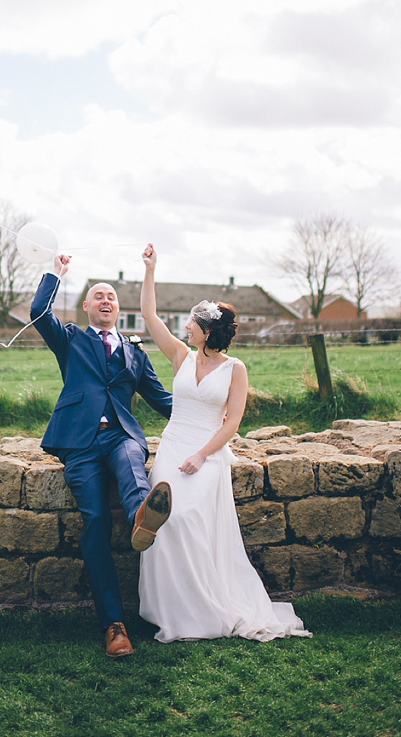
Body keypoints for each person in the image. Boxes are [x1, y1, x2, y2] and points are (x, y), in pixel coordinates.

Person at [138, 243, 311, 643]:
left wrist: (202, 455)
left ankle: (204, 607)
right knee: (167, 519)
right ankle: (170, 609)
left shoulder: (235, 369)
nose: (185, 328)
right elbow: (149, 316)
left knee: (190, 520)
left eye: (192, 324)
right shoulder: (180, 356)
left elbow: (232, 422)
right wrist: (150, 269)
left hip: (208, 452)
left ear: (207, 330)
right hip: (173, 446)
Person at [30, 254, 173, 657]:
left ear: (117, 309)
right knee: (93, 521)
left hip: (122, 436)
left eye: (111, 296)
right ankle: (114, 626)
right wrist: (56, 273)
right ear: (88, 307)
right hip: (80, 443)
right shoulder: (71, 339)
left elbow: (163, 401)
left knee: (132, 464)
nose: (106, 300)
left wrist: (210, 420)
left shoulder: (135, 353)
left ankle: (141, 517)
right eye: (98, 295)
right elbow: (39, 312)